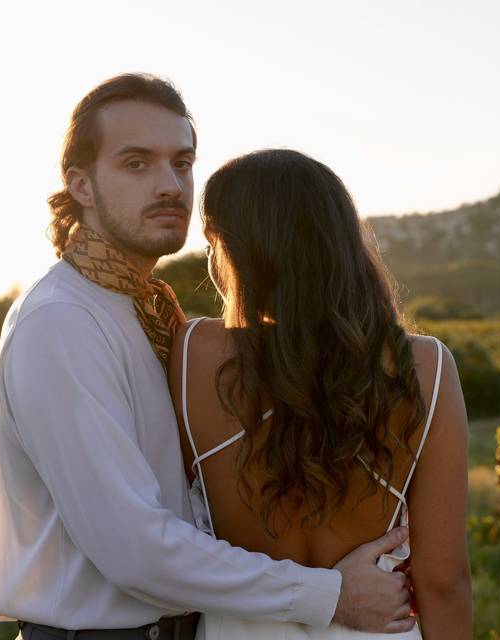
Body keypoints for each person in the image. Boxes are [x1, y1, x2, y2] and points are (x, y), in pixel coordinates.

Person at [0, 73, 415, 640]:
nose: (170, 185)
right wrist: (329, 596)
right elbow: (135, 549)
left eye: (181, 163)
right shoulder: (62, 322)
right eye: (137, 164)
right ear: (80, 185)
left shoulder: (148, 313)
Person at [169, 149, 473, 639]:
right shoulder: (425, 366)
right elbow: (444, 581)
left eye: (213, 243)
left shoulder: (193, 355)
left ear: (239, 249)